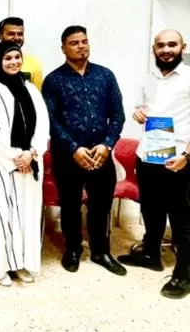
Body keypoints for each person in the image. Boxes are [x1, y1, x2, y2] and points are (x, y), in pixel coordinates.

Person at [120, 29, 190, 299]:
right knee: (151, 211)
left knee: (183, 219)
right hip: (149, 155)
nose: (166, 50)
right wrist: (138, 113)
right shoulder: (149, 78)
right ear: (154, 49)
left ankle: (185, 277)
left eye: (172, 44)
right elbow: (142, 108)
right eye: (160, 45)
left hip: (178, 160)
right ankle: (151, 255)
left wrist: (187, 156)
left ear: (183, 46)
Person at [42, 26, 127, 276]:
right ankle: (73, 249)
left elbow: (118, 115)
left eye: (84, 41)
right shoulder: (54, 80)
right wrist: (74, 149)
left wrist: (107, 145)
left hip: (101, 154)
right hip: (68, 156)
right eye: (74, 43)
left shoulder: (105, 76)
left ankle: (101, 251)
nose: (81, 46)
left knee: (101, 205)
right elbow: (50, 121)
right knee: (70, 205)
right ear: (63, 48)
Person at [0, 41, 50, 286]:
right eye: (8, 58)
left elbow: (43, 125)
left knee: (26, 216)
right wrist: (16, 157)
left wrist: (32, 152)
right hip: (0, 164)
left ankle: (21, 264)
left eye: (17, 57)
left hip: (30, 164)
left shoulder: (31, 90)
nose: (14, 62)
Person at [0, 17, 44, 89]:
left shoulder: (34, 63)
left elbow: (37, 93)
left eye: (20, 34)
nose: (16, 37)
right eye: (11, 34)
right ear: (0, 36)